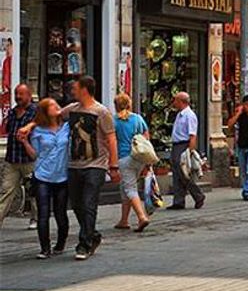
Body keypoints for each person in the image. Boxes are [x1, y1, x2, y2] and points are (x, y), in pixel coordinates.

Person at [63, 76, 119, 260]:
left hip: (96, 165)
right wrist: (30, 126)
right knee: (78, 205)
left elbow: (111, 139)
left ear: (85, 90)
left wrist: (113, 165)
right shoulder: (72, 110)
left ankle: (84, 244)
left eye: (76, 88)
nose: (72, 91)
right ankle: (93, 234)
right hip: (74, 164)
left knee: (88, 203)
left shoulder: (102, 112)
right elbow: (52, 116)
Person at [18, 98, 69, 259]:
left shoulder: (66, 128)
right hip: (43, 175)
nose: (57, 108)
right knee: (43, 213)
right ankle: (44, 248)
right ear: (45, 111)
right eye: (52, 106)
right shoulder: (39, 131)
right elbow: (35, 154)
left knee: (61, 213)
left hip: (62, 175)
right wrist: (25, 142)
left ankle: (60, 244)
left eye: (56, 105)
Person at [0, 84, 38, 229]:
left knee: (33, 191)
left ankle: (36, 218)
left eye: (21, 94)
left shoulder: (35, 111)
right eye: (16, 94)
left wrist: (30, 129)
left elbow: (44, 122)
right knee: (6, 190)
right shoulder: (13, 112)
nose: (18, 97)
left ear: (29, 95)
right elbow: (9, 129)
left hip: (29, 158)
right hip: (12, 157)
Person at [111, 94, 151, 232]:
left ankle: (141, 217)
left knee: (130, 188)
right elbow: (146, 136)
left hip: (124, 158)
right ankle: (124, 220)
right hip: (138, 157)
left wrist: (111, 163)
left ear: (116, 105)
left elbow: (111, 141)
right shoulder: (138, 119)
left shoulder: (114, 121)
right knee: (125, 187)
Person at [167, 92, 205, 210]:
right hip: (176, 145)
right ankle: (178, 201)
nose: (174, 102)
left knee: (184, 173)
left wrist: (190, 150)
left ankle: (198, 195)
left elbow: (192, 135)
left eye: (176, 100)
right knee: (177, 173)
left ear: (181, 101)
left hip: (183, 145)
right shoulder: (180, 114)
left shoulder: (189, 115)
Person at [226, 95, 248, 199]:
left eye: (247, 104)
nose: (245, 107)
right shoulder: (241, 117)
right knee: (242, 170)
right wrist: (238, 113)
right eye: (244, 104)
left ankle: (247, 191)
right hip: (241, 146)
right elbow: (229, 125)